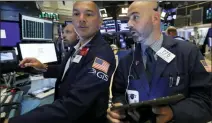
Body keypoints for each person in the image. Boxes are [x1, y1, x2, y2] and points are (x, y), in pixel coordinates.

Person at [5, 1, 116, 123]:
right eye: (76, 14)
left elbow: (73, 105)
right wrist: (43, 67)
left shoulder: (101, 55)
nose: (81, 19)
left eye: (89, 14)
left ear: (100, 22)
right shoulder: (80, 46)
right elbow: (69, 71)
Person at [107, 1, 212, 123]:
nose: (129, 24)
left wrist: (174, 112)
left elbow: (206, 101)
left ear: (155, 18)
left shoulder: (188, 53)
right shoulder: (126, 62)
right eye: (128, 19)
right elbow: (119, 94)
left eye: (135, 17)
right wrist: (119, 107)